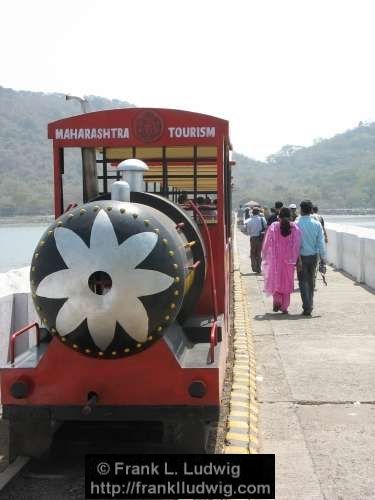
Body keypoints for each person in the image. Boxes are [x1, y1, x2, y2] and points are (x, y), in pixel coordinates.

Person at [261, 207, 301, 314]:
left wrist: (265, 255)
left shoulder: (274, 226)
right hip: (289, 262)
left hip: (275, 260)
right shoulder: (295, 228)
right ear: (290, 216)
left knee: (276, 281)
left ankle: (277, 301)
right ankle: (284, 307)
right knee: (287, 283)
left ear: (279, 216)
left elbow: (267, 243)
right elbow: (297, 246)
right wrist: (296, 259)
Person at [296, 200, 326, 316]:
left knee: (302, 282)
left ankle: (307, 306)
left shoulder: (296, 224)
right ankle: (310, 304)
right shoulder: (317, 224)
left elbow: (295, 244)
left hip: (301, 257)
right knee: (311, 281)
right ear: (311, 210)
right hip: (314, 257)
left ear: (301, 210)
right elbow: (321, 243)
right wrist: (323, 258)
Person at [245, 208, 267, 273]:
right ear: (258, 213)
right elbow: (266, 227)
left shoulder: (249, 221)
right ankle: (259, 268)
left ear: (252, 213)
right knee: (259, 253)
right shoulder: (262, 219)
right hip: (260, 238)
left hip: (253, 238)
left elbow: (248, 232)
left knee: (253, 253)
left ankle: (254, 267)